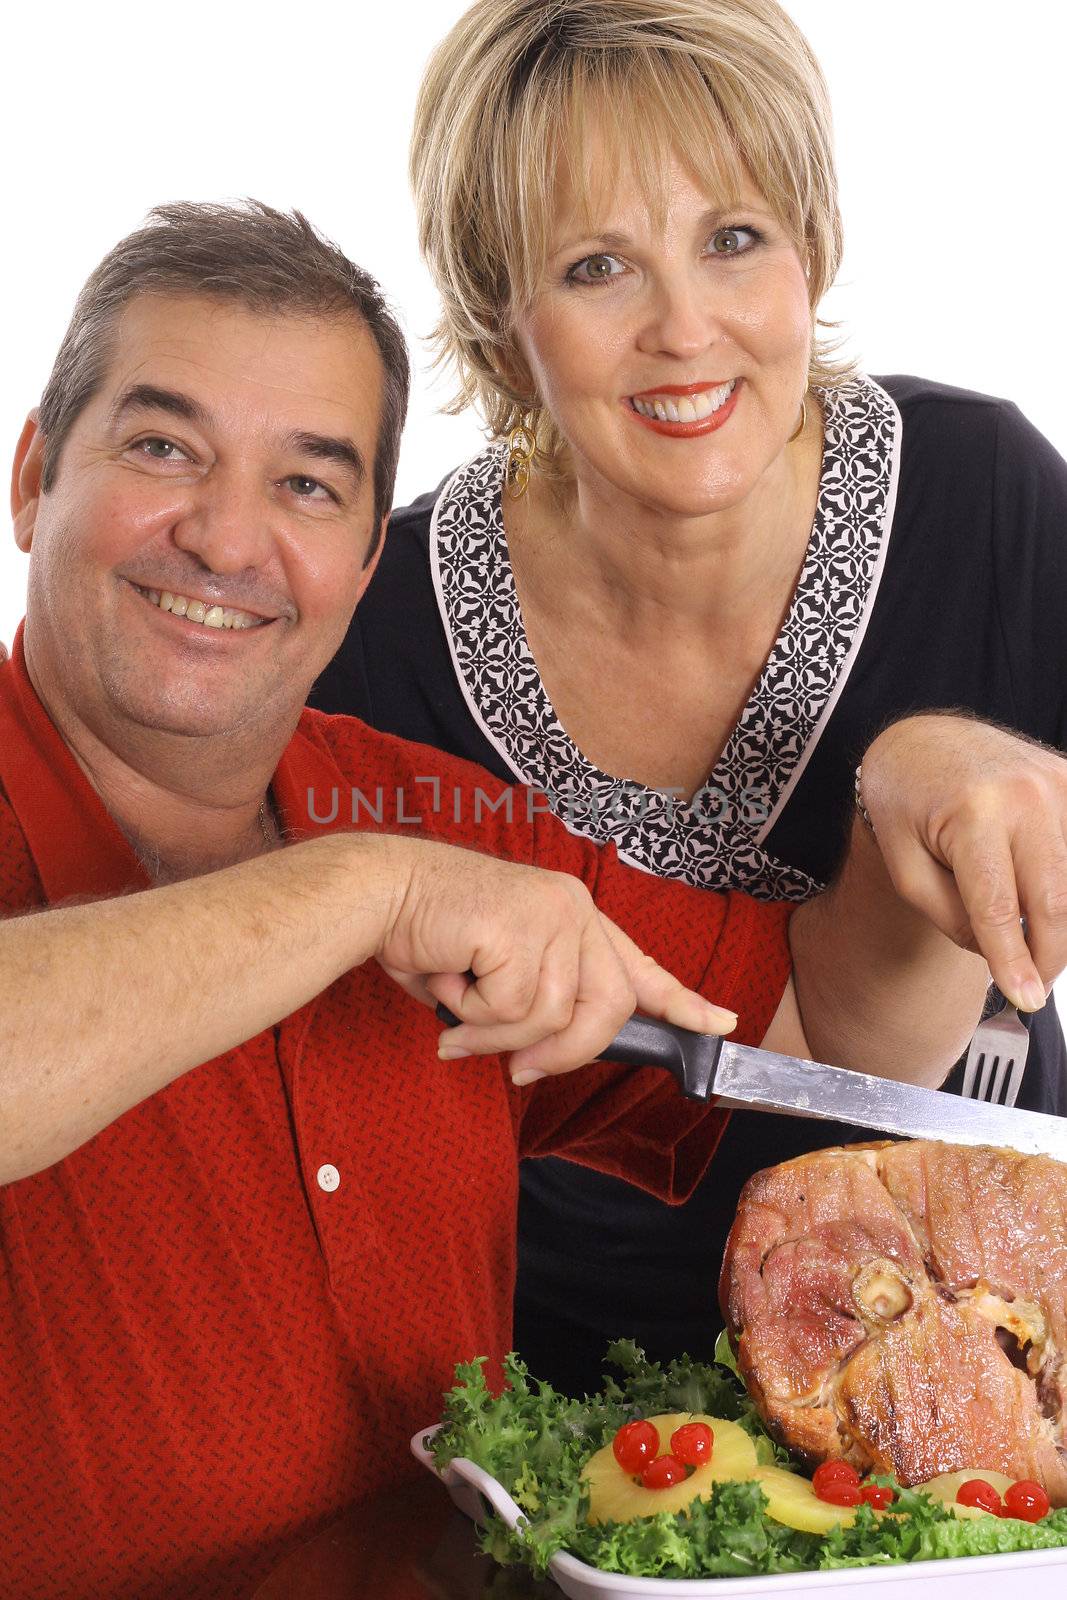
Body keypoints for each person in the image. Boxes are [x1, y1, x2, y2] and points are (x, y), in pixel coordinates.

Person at [0, 202, 994, 1599]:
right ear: (36, 474)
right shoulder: (407, 859)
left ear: (360, 564)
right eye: (163, 448)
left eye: (309, 485)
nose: (226, 538)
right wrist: (359, 892)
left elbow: (821, 1034)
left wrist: (928, 784)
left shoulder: (440, 820)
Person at [307, 0, 1067, 1395]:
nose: (684, 328)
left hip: (986, 1343)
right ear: (498, 310)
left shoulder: (989, 500)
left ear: (811, 245)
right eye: (598, 266)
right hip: (566, 1366)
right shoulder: (380, 626)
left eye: (734, 239)